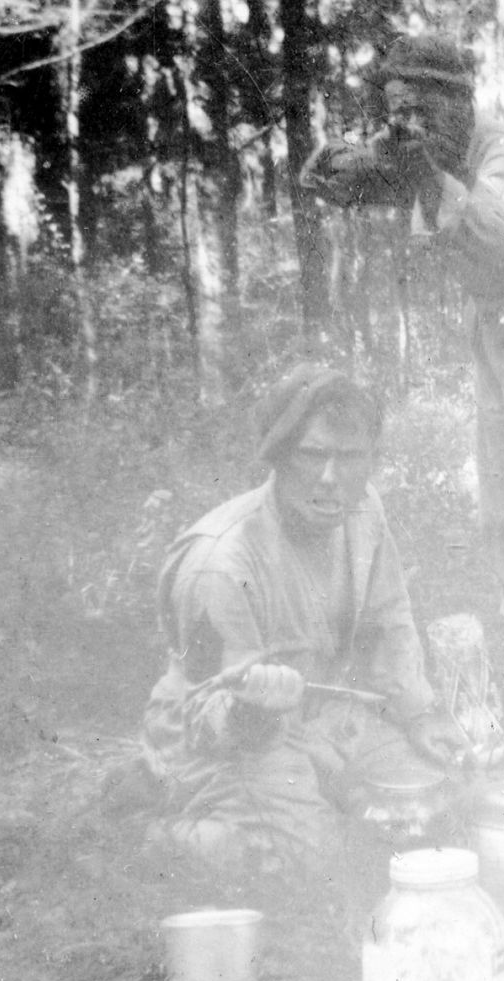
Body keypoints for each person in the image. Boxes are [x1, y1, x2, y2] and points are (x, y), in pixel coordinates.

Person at [302, 36, 504, 712]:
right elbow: (374, 175)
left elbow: (487, 237)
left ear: (459, 102)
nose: (408, 125)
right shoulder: (435, 149)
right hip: (501, 347)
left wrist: (418, 171)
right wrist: (341, 170)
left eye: (420, 110)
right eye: (398, 110)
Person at [140, 365, 466, 879]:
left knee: (440, 804)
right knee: (319, 863)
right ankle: (159, 829)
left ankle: (314, 799)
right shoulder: (221, 564)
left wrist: (419, 714)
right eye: (313, 455)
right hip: (230, 744)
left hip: (325, 720)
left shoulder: (363, 511)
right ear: (278, 455)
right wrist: (253, 710)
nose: (331, 478)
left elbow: (389, 621)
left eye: (351, 458)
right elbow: (208, 717)